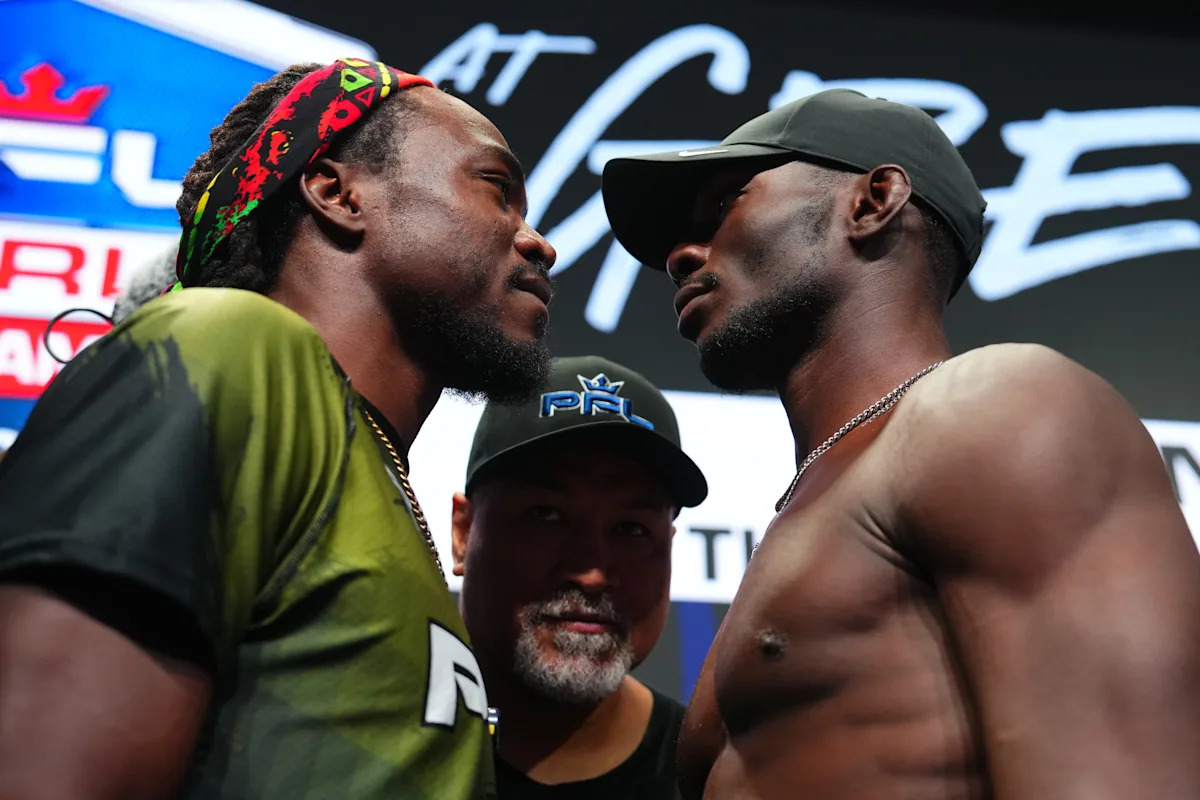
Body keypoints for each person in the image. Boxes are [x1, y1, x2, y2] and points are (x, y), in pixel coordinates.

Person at [601, 89, 1200, 798]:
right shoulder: (822, 495)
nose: (681, 253)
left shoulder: (997, 409)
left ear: (874, 201)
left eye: (726, 202)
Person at [0, 58, 556, 800]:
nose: (539, 241)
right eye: (496, 189)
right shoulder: (230, 345)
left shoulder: (375, 471)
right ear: (337, 192)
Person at [451, 355, 708, 799]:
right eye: (546, 515)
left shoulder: (714, 775)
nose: (591, 574)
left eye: (631, 529)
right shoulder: (360, 739)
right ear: (463, 532)